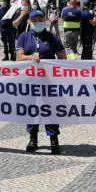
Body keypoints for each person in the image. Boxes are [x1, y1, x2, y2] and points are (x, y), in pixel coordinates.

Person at [17, 10, 66, 155]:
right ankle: (33, 138)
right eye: (34, 20)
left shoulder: (52, 37)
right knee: (32, 108)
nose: (37, 22)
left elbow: (63, 58)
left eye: (40, 19)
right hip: (30, 80)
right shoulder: (24, 36)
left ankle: (53, 139)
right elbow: (19, 56)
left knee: (49, 109)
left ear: (44, 20)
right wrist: (30, 57)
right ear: (29, 22)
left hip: (48, 81)